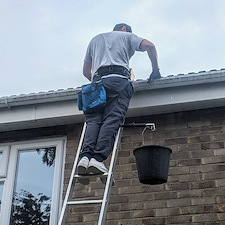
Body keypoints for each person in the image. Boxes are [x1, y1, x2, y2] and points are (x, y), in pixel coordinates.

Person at [77, 23, 161, 185]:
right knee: (112, 118)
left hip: (97, 83)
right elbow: (150, 46)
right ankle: (97, 158)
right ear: (123, 29)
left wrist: (98, 84)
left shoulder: (95, 39)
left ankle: (85, 157)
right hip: (118, 80)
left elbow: (86, 71)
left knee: (94, 121)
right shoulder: (127, 36)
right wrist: (155, 70)